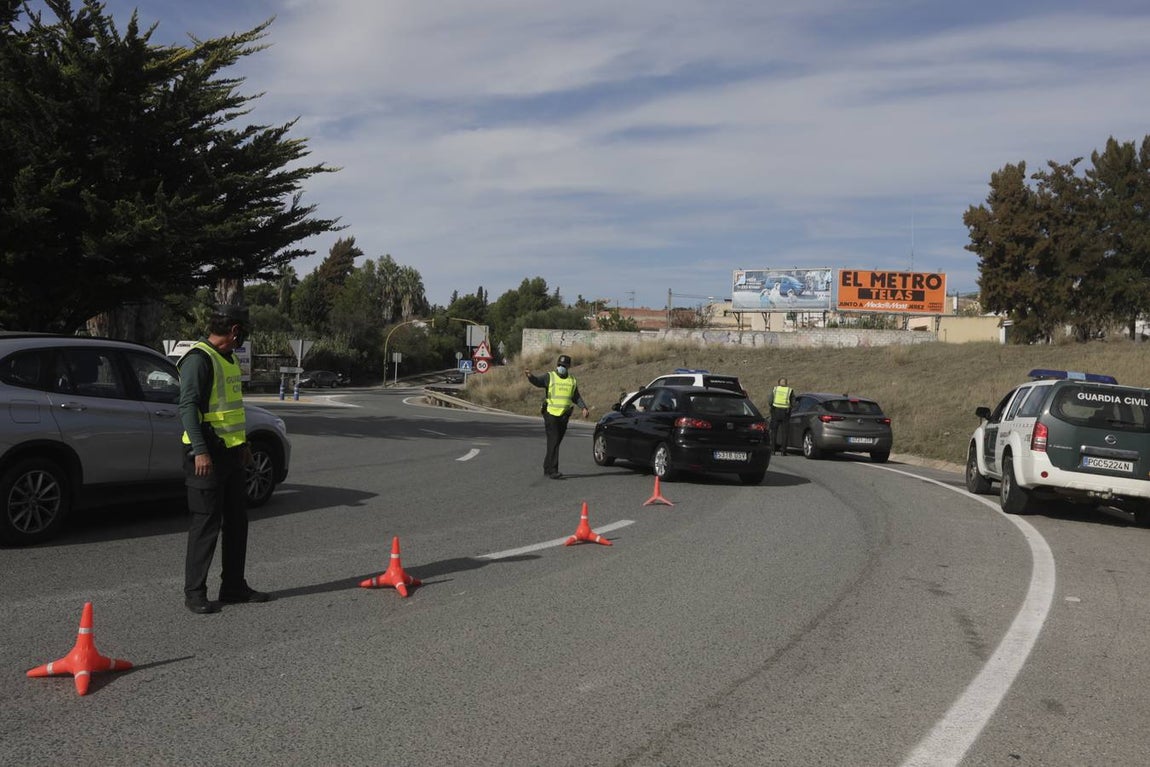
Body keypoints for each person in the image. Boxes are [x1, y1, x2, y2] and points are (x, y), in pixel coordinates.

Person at [178, 304, 270, 614]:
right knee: (205, 525)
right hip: (206, 456)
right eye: (242, 330)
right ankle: (195, 593)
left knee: (237, 523)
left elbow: (230, 409)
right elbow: (188, 407)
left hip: (232, 454)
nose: (243, 336)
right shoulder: (198, 359)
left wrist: (243, 444)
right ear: (234, 330)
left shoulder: (228, 360)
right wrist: (201, 450)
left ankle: (233, 587)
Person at [524, 354, 589, 479]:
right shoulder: (550, 377)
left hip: (564, 415)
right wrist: (530, 376)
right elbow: (537, 382)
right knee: (554, 439)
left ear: (568, 367)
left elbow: (576, 397)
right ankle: (553, 470)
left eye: (564, 366)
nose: (561, 367)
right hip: (550, 413)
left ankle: (547, 467)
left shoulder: (572, 380)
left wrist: (584, 408)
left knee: (555, 441)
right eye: (559, 365)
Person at [769, 376, 794, 456]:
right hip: (785, 413)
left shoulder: (775, 389)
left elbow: (770, 400)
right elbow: (793, 402)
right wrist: (790, 408)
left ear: (778, 383)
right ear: (786, 383)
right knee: (785, 432)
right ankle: (783, 451)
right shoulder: (789, 390)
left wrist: (772, 407)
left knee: (774, 432)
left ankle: (773, 450)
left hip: (775, 411)